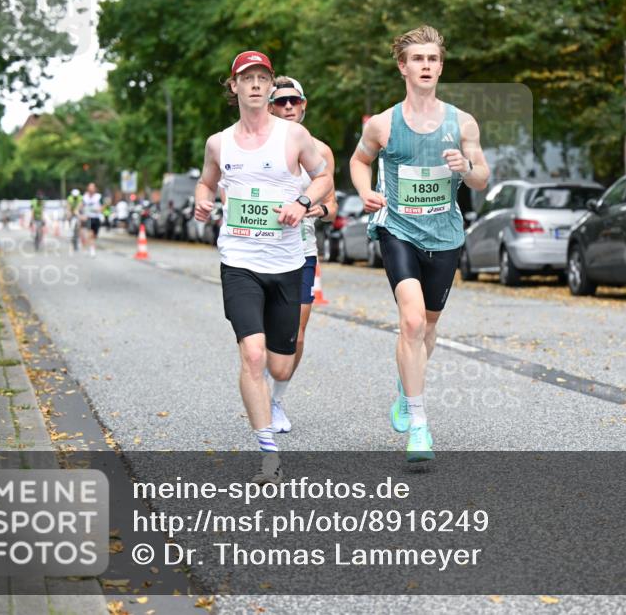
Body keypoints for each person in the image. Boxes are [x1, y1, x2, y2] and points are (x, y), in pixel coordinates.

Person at [350, 26, 490, 462]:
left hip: (445, 233)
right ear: (403, 67)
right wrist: (364, 192)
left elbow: (483, 177)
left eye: (433, 59)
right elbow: (359, 160)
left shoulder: (461, 122)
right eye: (418, 59)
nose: (426, 65)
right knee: (410, 323)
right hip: (399, 229)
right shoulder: (383, 124)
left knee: (428, 327)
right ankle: (419, 424)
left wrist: (464, 167)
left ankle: (403, 385)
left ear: (440, 66)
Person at [194, 50, 333, 461]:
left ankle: (277, 395)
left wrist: (303, 201)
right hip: (239, 261)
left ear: (271, 86)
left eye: (262, 78)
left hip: (288, 262)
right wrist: (202, 203)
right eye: (247, 78)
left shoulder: (294, 137)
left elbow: (324, 175)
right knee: (252, 354)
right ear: (233, 86)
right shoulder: (218, 143)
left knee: (280, 366)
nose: (255, 84)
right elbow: (206, 183)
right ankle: (268, 452)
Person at [265, 75, 339, 433]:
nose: (289, 107)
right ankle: (258, 378)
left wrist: (315, 209)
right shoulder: (253, 145)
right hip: (259, 250)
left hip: (301, 250)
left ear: (304, 105)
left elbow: (333, 206)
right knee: (261, 332)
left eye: (294, 101)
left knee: (295, 333)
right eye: (281, 102)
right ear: (270, 107)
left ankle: (276, 400)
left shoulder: (320, 151)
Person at [81, 182, 103, 257]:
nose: (91, 189)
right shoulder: (85, 197)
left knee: (95, 235)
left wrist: (99, 209)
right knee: (91, 234)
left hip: (96, 218)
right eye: (90, 188)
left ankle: (88, 245)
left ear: (95, 189)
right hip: (88, 218)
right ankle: (92, 249)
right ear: (88, 189)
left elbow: (102, 207)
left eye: (92, 188)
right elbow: (81, 206)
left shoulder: (98, 197)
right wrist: (81, 215)